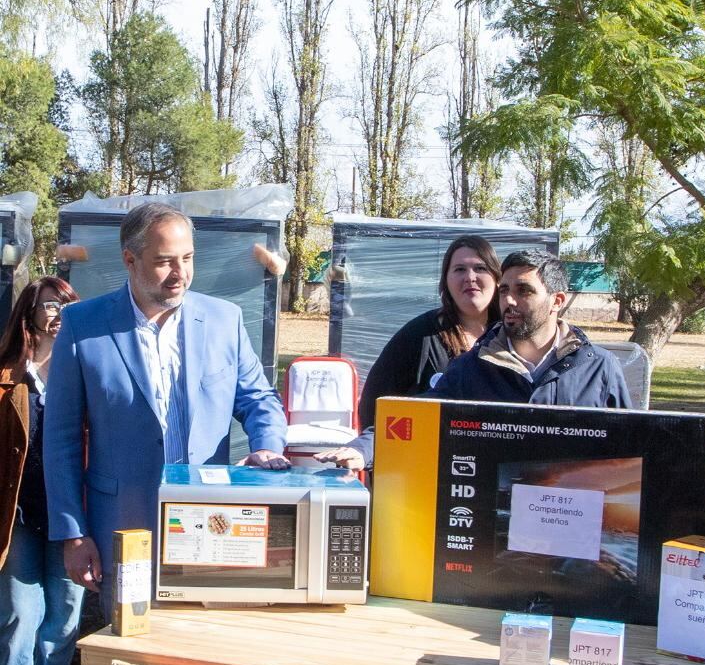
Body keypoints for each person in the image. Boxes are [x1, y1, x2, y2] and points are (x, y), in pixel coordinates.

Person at [44, 202, 288, 609]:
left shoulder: (224, 320)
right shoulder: (83, 326)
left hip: (212, 525)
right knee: (129, 647)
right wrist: (73, 533)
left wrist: (267, 445)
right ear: (130, 259)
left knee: (199, 648)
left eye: (188, 258)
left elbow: (258, 398)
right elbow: (61, 438)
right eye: (164, 262)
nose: (181, 274)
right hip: (123, 526)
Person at [317, 235, 503, 470]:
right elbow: (378, 403)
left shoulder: (510, 336)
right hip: (425, 467)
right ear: (446, 280)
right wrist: (370, 451)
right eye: (459, 269)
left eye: (480, 268)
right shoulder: (420, 334)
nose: (470, 277)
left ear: (497, 279)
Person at [0, 276, 87, 665]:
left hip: (72, 515)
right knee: (19, 611)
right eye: (50, 305)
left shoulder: (85, 370)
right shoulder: (6, 375)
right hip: (19, 514)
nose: (59, 314)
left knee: (64, 613)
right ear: (30, 312)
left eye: (67, 306)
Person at [432, 249, 632, 408]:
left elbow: (627, 447)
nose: (509, 300)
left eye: (524, 291)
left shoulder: (600, 367)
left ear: (557, 301)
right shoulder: (468, 368)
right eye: (504, 290)